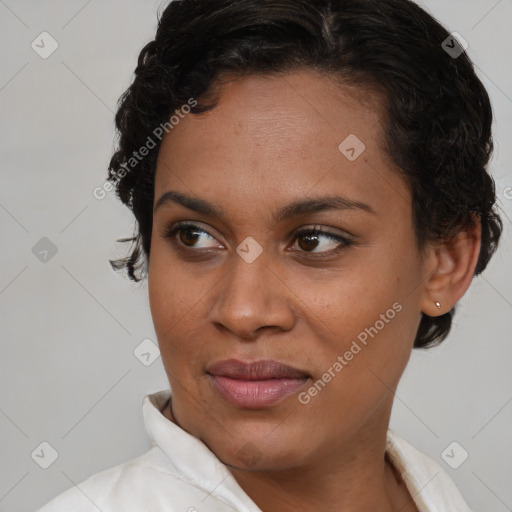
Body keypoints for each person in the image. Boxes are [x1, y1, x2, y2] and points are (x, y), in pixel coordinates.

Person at [37, 0, 503, 510]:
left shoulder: (436, 494)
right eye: (194, 236)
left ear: (446, 261)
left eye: (314, 241)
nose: (242, 311)